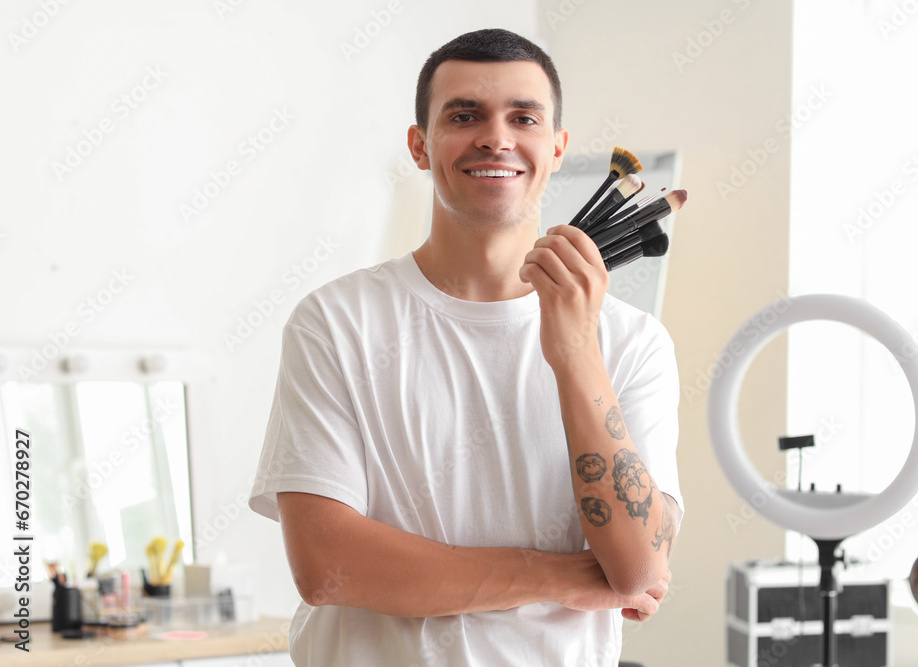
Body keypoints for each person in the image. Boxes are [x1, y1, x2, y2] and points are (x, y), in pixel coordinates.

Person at [249, 27, 683, 666]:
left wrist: (575, 353)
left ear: (556, 147)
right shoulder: (336, 322)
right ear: (419, 147)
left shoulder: (633, 343)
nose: (496, 137)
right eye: (464, 115)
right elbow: (327, 568)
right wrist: (563, 577)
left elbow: (640, 564)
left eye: (524, 117)